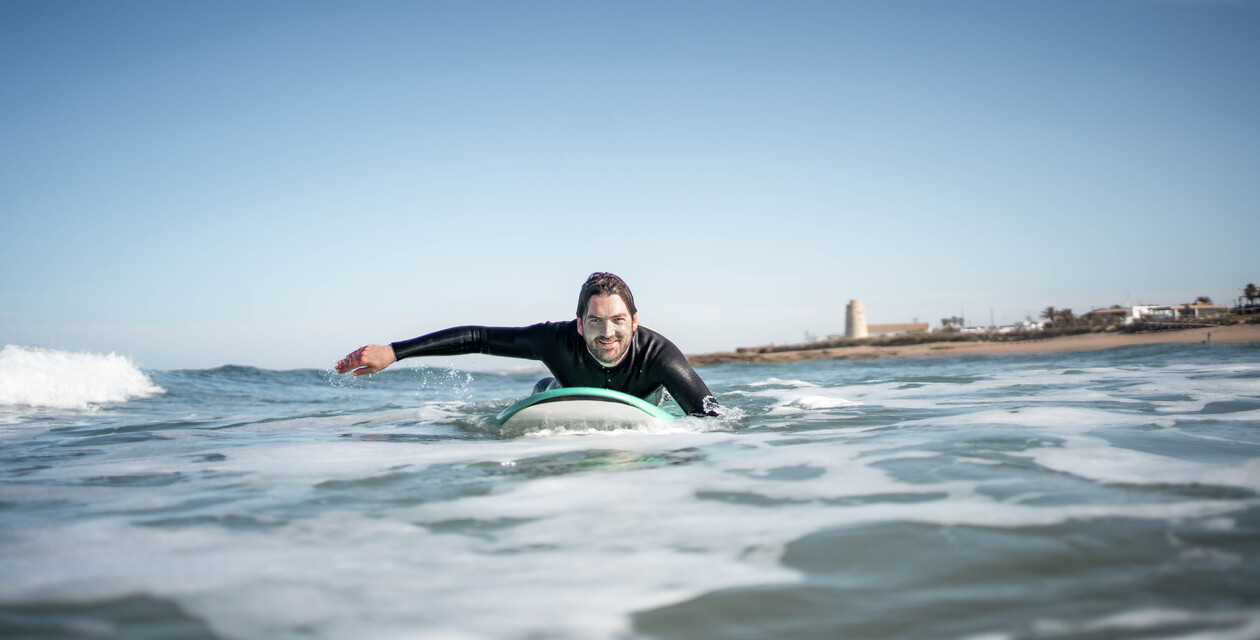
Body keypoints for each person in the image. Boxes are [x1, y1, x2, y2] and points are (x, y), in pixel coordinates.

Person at [335, 272, 719, 416]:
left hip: (645, 403)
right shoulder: (554, 340)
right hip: (567, 393)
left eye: (618, 321)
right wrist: (394, 352)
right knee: (546, 389)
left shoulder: (659, 355)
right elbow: (478, 338)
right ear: (579, 323)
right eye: (595, 321)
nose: (607, 333)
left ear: (634, 322)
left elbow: (714, 417)